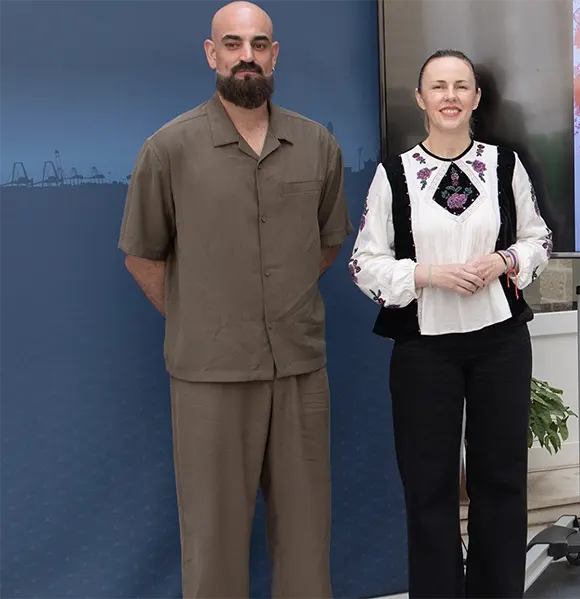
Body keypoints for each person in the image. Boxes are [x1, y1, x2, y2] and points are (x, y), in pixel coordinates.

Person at [116, 2, 347, 598]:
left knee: (306, 540)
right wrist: (205, 318)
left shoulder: (317, 145)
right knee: (213, 543)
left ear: (275, 54)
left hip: (299, 370)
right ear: (211, 53)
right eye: (234, 43)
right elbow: (143, 255)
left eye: (260, 43)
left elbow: (325, 243)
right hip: (209, 376)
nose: (248, 55)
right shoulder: (168, 149)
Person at [348, 49, 552, 599]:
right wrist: (428, 274)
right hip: (423, 350)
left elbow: (539, 240)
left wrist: (505, 261)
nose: (450, 97)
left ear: (477, 98)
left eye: (461, 86)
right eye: (438, 87)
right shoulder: (394, 174)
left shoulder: (506, 166)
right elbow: (364, 264)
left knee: (502, 481)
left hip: (501, 344)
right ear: (420, 99)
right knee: (429, 486)